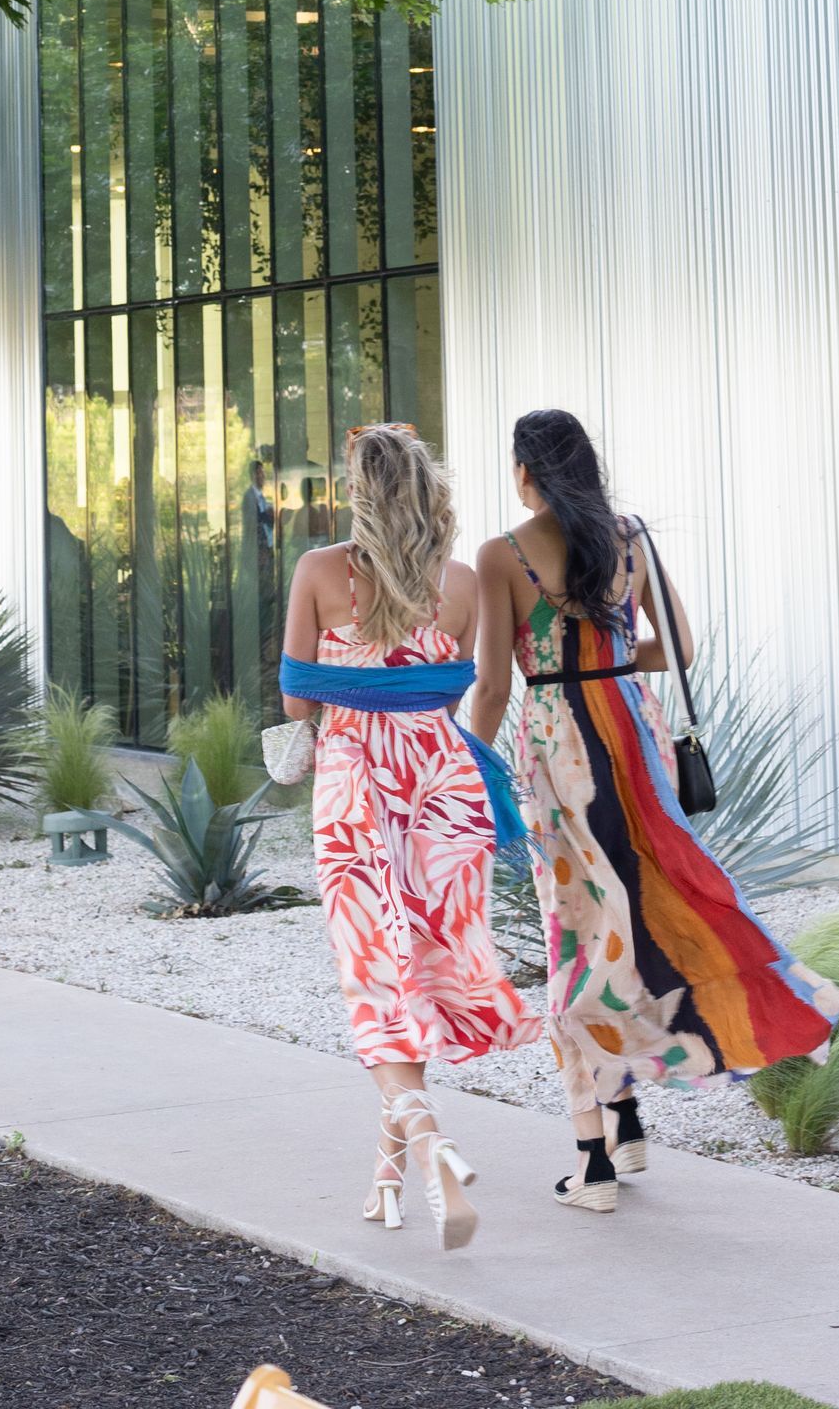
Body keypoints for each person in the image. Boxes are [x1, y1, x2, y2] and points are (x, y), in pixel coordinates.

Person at [471, 407, 839, 1213]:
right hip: (635, 739)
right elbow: (679, 648)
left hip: (561, 757)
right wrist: (606, 655)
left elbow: (494, 685)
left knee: (579, 938)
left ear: (525, 471)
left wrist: (474, 768)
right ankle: (629, 1122)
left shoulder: (502, 554)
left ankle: (594, 1164)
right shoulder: (630, 537)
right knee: (638, 921)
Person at [279, 421, 537, 1251]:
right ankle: (387, 1174)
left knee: (376, 974)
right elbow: (451, 689)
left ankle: (431, 1151)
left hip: (357, 782)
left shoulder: (320, 572)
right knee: (417, 969)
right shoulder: (459, 583)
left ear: (358, 495)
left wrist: (348, 682)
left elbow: (296, 700)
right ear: (430, 494)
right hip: (443, 785)